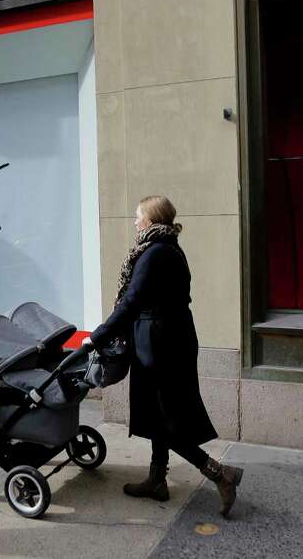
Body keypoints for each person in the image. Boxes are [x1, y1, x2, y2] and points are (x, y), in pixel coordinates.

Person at [87, 195, 244, 517]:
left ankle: (218, 473)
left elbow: (131, 301)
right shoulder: (167, 248)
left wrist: (97, 336)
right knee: (157, 414)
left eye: (137, 216)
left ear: (151, 219)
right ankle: (157, 480)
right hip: (166, 339)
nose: (134, 222)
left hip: (159, 344)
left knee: (165, 417)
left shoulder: (155, 252)